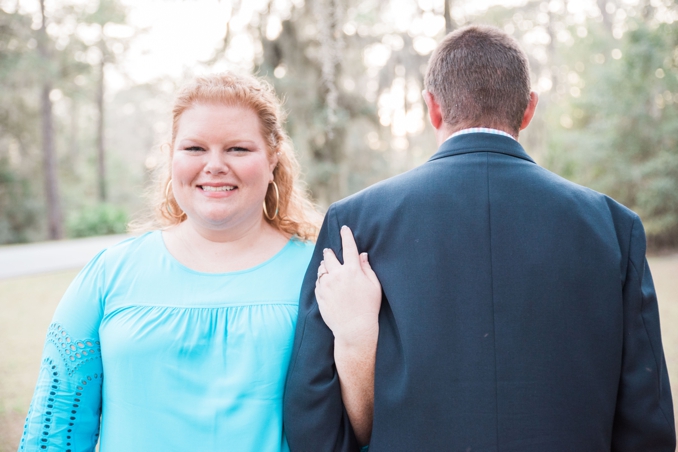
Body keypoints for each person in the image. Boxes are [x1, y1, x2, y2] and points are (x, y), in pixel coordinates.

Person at [284, 25, 676, 451]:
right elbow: (646, 417)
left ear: (432, 108)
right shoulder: (614, 228)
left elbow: (312, 413)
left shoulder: (355, 225)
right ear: (528, 110)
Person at [17, 72, 365, 451]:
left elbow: (360, 426)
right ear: (171, 157)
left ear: (272, 160)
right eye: (195, 148)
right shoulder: (110, 273)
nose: (214, 165)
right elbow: (54, 430)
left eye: (238, 149)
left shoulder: (322, 275)